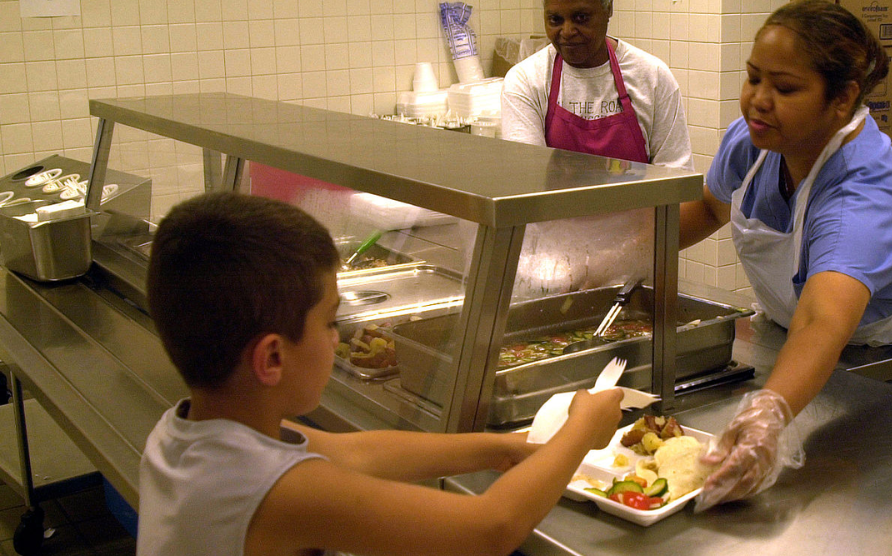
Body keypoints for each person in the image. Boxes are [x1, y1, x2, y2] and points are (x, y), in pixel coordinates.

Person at [137, 191, 624, 556]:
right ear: (272, 359)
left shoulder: (187, 433)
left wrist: (505, 448)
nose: (336, 338)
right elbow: (489, 527)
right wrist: (580, 431)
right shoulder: (276, 490)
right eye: (330, 322)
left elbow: (357, 452)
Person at [680, 0, 892, 508]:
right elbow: (708, 208)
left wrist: (768, 413)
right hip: (810, 321)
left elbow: (822, 321)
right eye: (753, 78)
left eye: (785, 87)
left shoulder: (862, 195)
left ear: (842, 99)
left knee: (885, 493)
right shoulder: (756, 141)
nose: (758, 100)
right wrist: (613, 257)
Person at [501, 0, 691, 170]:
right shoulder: (526, 81)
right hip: (556, 204)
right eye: (555, 20)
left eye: (581, 17)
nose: (567, 32)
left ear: (608, 9)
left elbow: (675, 179)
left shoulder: (652, 77)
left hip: (640, 203)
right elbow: (528, 176)